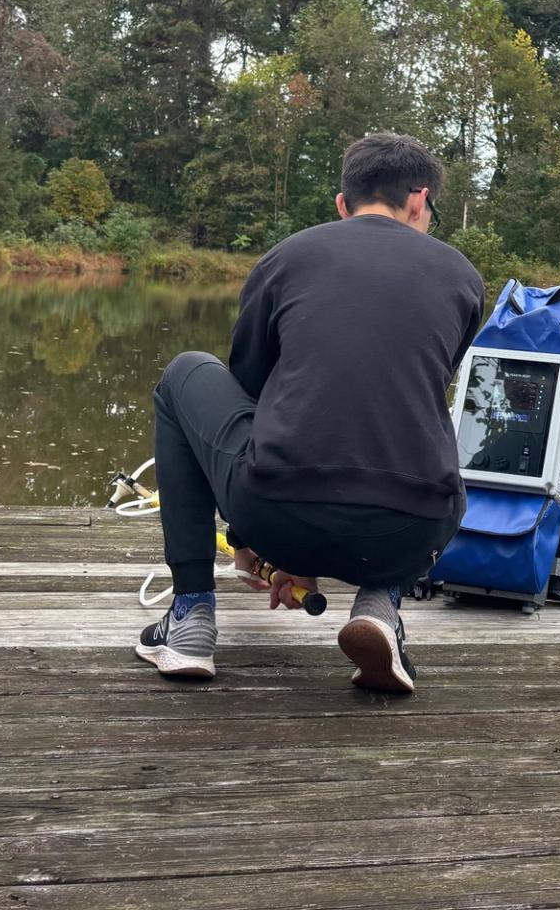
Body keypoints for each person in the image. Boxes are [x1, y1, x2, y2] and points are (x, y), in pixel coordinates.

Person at [135, 133, 485, 694]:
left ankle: (192, 616)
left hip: (279, 511)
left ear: (343, 206)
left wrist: (256, 539)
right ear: (420, 201)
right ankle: (381, 605)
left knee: (183, 373)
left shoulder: (289, 256)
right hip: (413, 533)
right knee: (421, 418)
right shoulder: (463, 276)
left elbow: (247, 395)